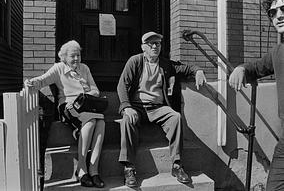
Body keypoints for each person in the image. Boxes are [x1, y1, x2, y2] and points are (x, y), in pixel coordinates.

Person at [117, 31, 207, 187]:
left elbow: (186, 68)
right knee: (127, 120)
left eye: (157, 44)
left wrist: (198, 70)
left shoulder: (166, 64)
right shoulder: (135, 61)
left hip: (158, 108)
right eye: (150, 44)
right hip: (137, 107)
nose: (154, 46)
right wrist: (126, 106)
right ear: (143, 47)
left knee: (175, 117)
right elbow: (122, 85)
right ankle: (129, 167)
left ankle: (177, 165)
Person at [24, 40, 105, 188]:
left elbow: (96, 91)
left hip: (86, 106)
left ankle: (94, 171)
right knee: (92, 121)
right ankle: (82, 169)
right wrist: (31, 82)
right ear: (64, 57)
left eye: (78, 55)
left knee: (101, 123)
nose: (76, 59)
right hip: (67, 106)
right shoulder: (59, 68)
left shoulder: (84, 68)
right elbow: (42, 80)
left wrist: (83, 93)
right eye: (73, 56)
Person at [229, 0, 284, 190]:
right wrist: (242, 68)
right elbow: (258, 67)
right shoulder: (278, 52)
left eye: (283, 9)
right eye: (273, 12)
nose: (278, 15)